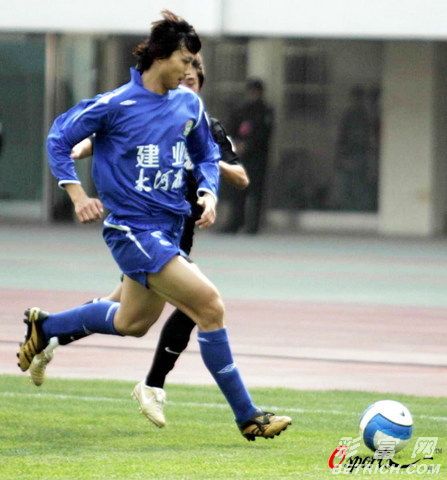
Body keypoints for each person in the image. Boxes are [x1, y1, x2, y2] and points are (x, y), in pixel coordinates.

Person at [17, 10, 291, 441]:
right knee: (210, 305)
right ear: (160, 56)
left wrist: (209, 193)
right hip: (132, 230)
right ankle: (248, 416)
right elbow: (59, 138)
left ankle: (46, 327)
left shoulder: (188, 105)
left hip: (169, 229)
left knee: (132, 322)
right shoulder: (116, 104)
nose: (191, 70)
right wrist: (77, 195)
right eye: (185, 60)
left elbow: (205, 154)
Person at [29, 54, 250, 429]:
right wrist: (83, 151)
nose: (182, 84)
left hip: (178, 234)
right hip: (145, 235)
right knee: (200, 306)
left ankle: (48, 333)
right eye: (179, 77)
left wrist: (207, 168)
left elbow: (240, 177)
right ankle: (158, 387)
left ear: (199, 87)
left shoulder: (206, 127)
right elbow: (102, 138)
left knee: (128, 316)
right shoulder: (147, 116)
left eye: (190, 81)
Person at [222, 78, 274, 234]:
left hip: (257, 158)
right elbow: (231, 128)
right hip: (240, 157)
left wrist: (248, 145)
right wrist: (235, 144)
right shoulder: (241, 110)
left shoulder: (265, 111)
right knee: (238, 191)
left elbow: (264, 134)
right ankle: (236, 222)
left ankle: (253, 225)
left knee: (256, 192)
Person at [335, 85, 373, 211]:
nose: (356, 101)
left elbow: (366, 136)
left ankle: (358, 207)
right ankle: (347, 207)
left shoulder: (365, 116)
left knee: (359, 182)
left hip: (360, 153)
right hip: (349, 153)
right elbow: (342, 135)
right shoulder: (348, 115)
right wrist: (341, 154)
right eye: (354, 98)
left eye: (358, 98)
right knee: (347, 182)